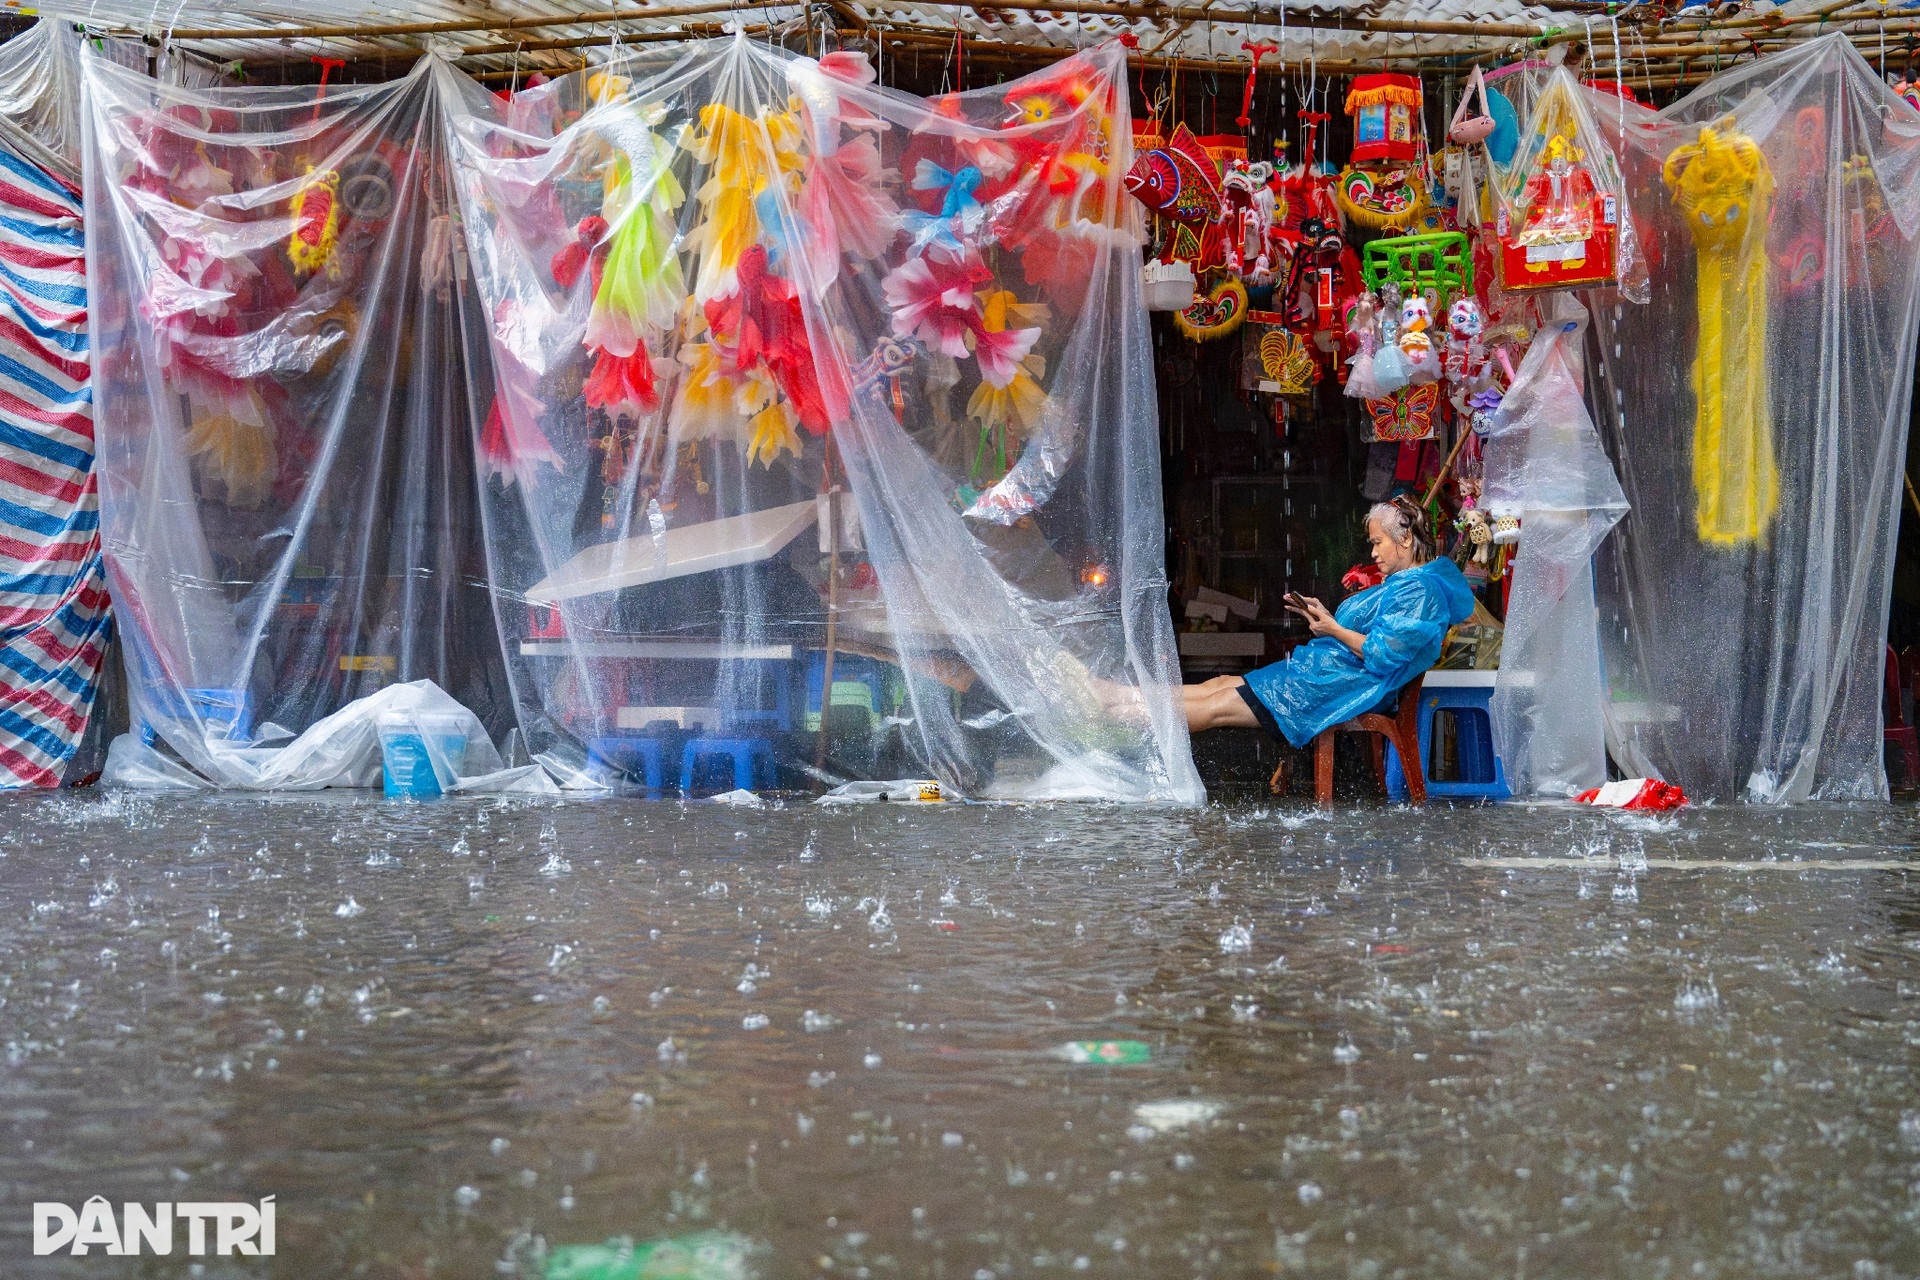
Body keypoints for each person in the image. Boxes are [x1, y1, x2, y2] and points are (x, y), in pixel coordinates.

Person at [1181, 496, 1475, 745]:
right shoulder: (1406, 583)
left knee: (1217, 706)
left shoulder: (1420, 589)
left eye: (1377, 542)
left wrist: (1332, 629)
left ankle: (1140, 722)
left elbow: (1383, 653)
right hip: (1329, 674)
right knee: (1219, 684)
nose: (1372, 553)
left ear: (1406, 537)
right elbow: (1374, 637)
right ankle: (1136, 699)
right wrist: (1327, 619)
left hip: (1345, 685)